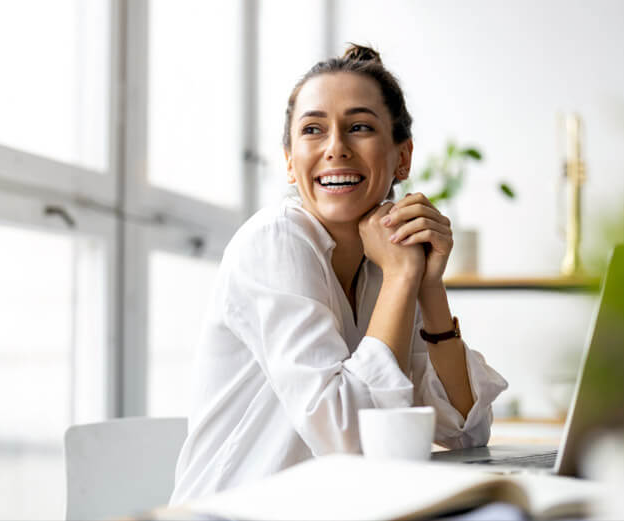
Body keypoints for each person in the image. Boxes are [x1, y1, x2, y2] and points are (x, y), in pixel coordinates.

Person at [169, 44, 507, 505]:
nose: (335, 148)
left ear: (402, 157)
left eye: (360, 127)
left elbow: (467, 431)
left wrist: (428, 284)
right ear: (290, 160)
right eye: (313, 130)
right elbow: (350, 441)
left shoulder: (383, 263)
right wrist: (403, 280)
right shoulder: (276, 242)